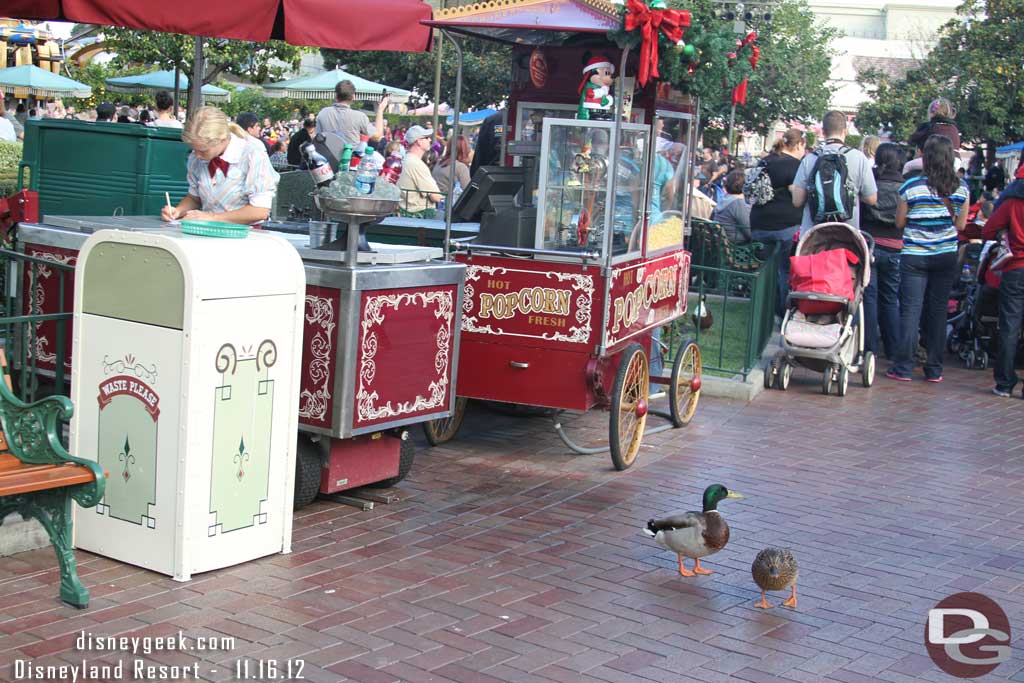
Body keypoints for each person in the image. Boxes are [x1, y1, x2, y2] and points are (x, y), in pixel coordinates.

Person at [885, 134, 969, 382]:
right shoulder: (962, 188)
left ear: (925, 158)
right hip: (945, 255)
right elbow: (961, 225)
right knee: (938, 311)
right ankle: (934, 368)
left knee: (910, 310)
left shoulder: (910, 186)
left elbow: (899, 222)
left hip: (914, 255)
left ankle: (903, 367)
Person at [162, 106, 279, 226]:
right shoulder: (196, 158)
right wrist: (178, 211)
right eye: (194, 149)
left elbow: (260, 211)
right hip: (207, 232)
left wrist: (212, 217)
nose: (197, 155)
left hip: (246, 235)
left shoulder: (252, 154)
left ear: (222, 139)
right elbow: (194, 198)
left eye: (203, 151)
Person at [750, 129, 806, 316]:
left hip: (759, 222)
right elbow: (796, 195)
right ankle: (781, 312)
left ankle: (761, 311)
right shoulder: (797, 166)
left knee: (765, 271)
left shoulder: (765, 161)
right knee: (784, 271)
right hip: (786, 224)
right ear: (798, 145)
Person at [792, 110, 878, 231]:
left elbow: (797, 201)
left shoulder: (809, 158)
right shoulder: (859, 158)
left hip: (813, 237)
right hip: (847, 235)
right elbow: (871, 199)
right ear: (845, 131)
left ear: (823, 131)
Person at [860, 142, 906, 359]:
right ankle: (893, 347)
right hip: (896, 247)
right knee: (890, 298)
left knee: (869, 297)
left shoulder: (871, 183)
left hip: (870, 245)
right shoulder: (905, 187)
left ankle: (869, 347)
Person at [983, 163, 1024, 396]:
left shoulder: (1011, 201)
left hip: (1016, 268)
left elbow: (989, 230)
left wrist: (1004, 233)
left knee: (1009, 326)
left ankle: (1005, 383)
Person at [315, 80, 388, 147]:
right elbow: (377, 136)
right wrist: (380, 110)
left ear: (336, 96)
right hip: (351, 158)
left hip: (327, 157)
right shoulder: (359, 117)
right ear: (353, 97)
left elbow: (317, 137)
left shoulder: (323, 113)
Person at [397, 125, 442, 218]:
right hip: (419, 216)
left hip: (406, 213)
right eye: (426, 138)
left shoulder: (406, 159)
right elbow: (436, 197)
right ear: (418, 142)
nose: (430, 140)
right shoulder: (416, 163)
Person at [712, 169, 752, 243]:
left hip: (723, 244)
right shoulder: (738, 204)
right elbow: (750, 231)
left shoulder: (723, 200)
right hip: (737, 246)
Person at [470, 110, 505, 177]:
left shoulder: (493, 119)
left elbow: (480, 153)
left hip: (492, 174)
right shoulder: (526, 116)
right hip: (521, 174)